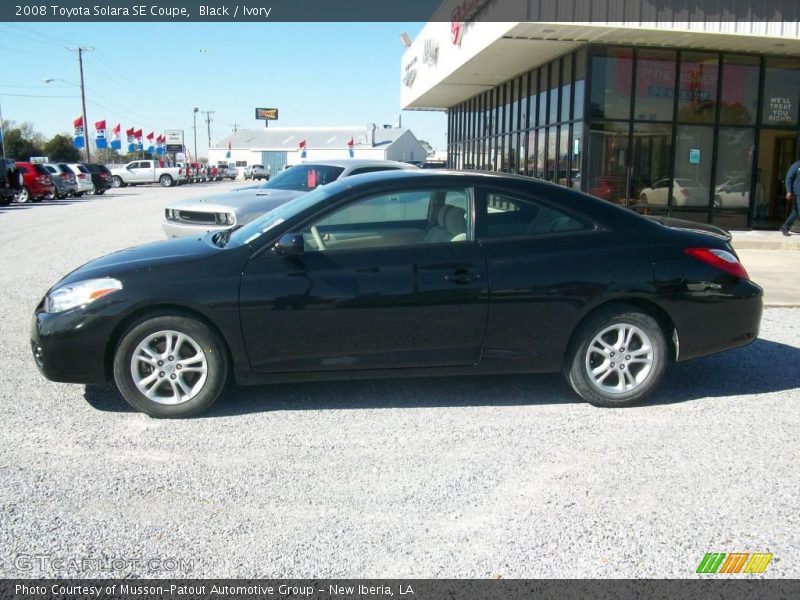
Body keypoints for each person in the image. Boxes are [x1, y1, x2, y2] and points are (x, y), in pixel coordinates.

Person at [781, 158, 800, 236]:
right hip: (798, 192)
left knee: (796, 211)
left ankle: (785, 227)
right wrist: (789, 191)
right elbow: (789, 177)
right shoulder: (797, 165)